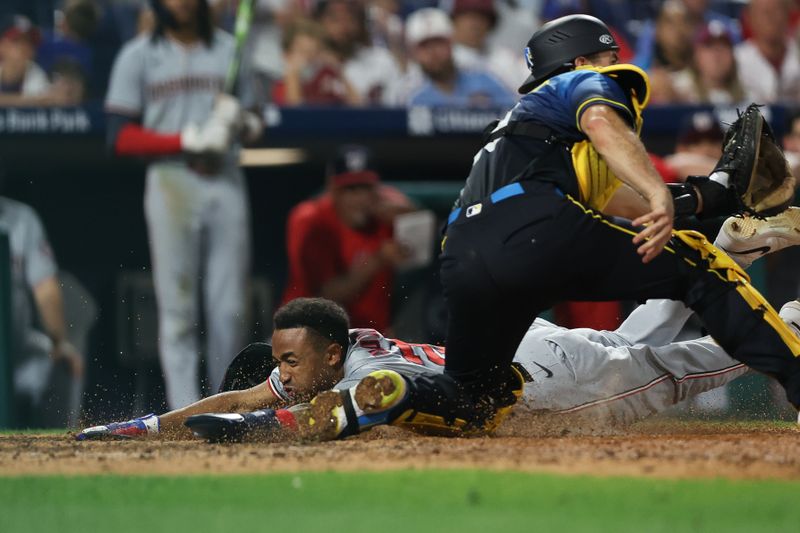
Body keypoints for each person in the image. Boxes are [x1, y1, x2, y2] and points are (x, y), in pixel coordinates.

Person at [278, 13, 800, 440]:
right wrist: (669, 193)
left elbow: (618, 202)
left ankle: (404, 393)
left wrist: (702, 193)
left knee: (472, 397)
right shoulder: (575, 85)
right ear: (578, 62)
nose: (614, 67)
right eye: (607, 58)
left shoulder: (517, 130)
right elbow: (602, 124)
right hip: (533, 227)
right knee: (697, 265)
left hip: (464, 253)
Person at [74, 207, 800, 440]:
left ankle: (791, 320)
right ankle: (729, 243)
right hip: (536, 344)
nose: (279, 380)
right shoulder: (330, 353)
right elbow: (240, 400)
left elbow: (374, 396)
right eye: (279, 369)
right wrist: (140, 426)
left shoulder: (354, 374)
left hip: (546, 385)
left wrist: (256, 429)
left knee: (684, 367)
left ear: (327, 357)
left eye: (289, 368)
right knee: (635, 338)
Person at [104, 0, 261, 409]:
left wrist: (241, 123)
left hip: (224, 177)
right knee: (178, 309)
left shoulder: (230, 49)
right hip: (169, 177)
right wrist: (183, 140)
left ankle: (226, 405)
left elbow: (259, 119)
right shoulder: (138, 54)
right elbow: (118, 138)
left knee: (229, 309)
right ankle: (185, 410)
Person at [281, 145, 412, 332]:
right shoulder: (311, 221)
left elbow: (431, 242)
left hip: (370, 340)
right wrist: (378, 260)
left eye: (365, 188)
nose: (359, 198)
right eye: (350, 189)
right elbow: (326, 296)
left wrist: (411, 213)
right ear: (332, 189)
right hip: (308, 333)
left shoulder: (386, 215)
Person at [1, 194, 84, 427]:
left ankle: (59, 450)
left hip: (16, 354)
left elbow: (45, 288)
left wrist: (59, 342)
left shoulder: (20, 218)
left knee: (63, 363)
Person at [400, 7, 515, 108]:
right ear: (413, 53)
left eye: (439, 43)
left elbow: (516, 116)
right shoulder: (414, 98)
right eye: (425, 46)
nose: (434, 52)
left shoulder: (483, 80)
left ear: (451, 44)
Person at [271, 18, 360, 106]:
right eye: (302, 52)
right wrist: (293, 74)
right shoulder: (282, 86)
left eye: (314, 52)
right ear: (286, 55)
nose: (309, 58)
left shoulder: (327, 78)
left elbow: (358, 108)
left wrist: (339, 71)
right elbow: (296, 114)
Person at [448, 0, 528, 94]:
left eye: (481, 18)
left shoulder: (504, 59)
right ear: (454, 21)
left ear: (490, 24)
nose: (475, 25)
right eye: (468, 17)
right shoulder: (443, 58)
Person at [734, 0, 800, 104]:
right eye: (764, 12)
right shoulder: (736, 60)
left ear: (788, 15)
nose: (770, 18)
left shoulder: (797, 53)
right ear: (749, 18)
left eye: (776, 11)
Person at [669, 20, 749, 106]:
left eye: (723, 46)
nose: (717, 54)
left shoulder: (748, 94)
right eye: (709, 46)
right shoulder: (678, 87)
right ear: (696, 54)